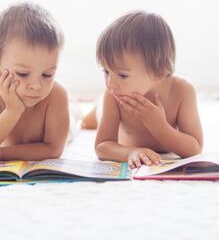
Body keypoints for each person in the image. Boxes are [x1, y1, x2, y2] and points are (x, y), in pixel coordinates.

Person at [84, 10, 203, 169]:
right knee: (87, 121)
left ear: (159, 72)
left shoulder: (182, 92)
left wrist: (159, 126)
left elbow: (195, 148)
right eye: (106, 71)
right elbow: (102, 146)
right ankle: (92, 109)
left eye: (123, 75)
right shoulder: (113, 95)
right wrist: (131, 152)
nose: (110, 84)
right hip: (106, 109)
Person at [0, 2, 69, 164]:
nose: (36, 85)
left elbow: (54, 149)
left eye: (47, 74)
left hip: (65, 124)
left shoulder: (56, 95)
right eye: (23, 74)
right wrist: (12, 111)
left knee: (74, 121)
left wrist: (1, 154)